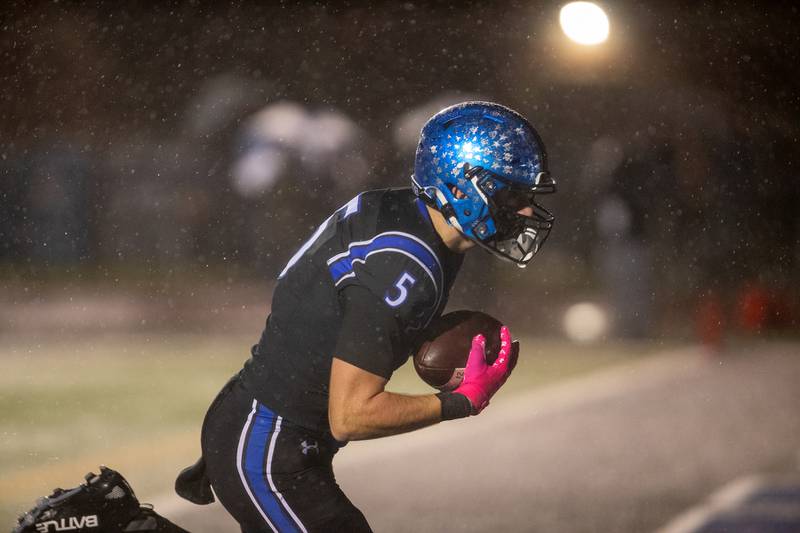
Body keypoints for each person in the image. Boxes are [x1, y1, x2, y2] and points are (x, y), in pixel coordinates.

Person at [175, 101, 556, 532]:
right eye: (512, 195)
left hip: (268, 428)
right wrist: (461, 401)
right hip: (269, 446)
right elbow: (352, 414)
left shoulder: (409, 217)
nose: (525, 211)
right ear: (462, 183)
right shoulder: (405, 264)